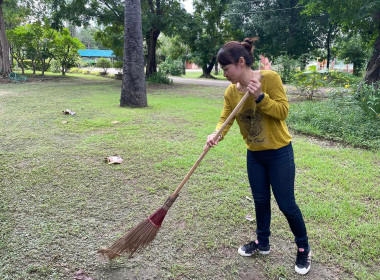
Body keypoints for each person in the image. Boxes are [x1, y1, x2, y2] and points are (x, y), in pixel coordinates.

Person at [205, 38, 311, 275]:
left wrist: (261, 97)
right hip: (255, 156)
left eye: (226, 69)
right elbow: (226, 119)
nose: (224, 74)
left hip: (279, 153)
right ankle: (262, 243)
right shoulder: (231, 92)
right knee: (260, 201)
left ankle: (304, 248)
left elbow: (283, 112)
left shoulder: (269, 78)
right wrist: (215, 134)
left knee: (286, 204)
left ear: (240, 62)